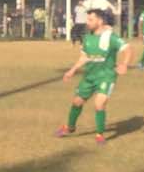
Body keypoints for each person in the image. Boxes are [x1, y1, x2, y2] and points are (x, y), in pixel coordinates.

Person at [55, 9, 131, 146]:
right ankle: (70, 127)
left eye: (91, 19)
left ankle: (99, 135)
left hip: (106, 76)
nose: (87, 22)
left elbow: (127, 49)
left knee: (99, 104)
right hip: (89, 76)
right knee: (77, 102)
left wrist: (124, 64)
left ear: (100, 21)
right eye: (87, 19)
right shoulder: (87, 37)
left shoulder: (111, 37)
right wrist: (72, 70)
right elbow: (85, 57)